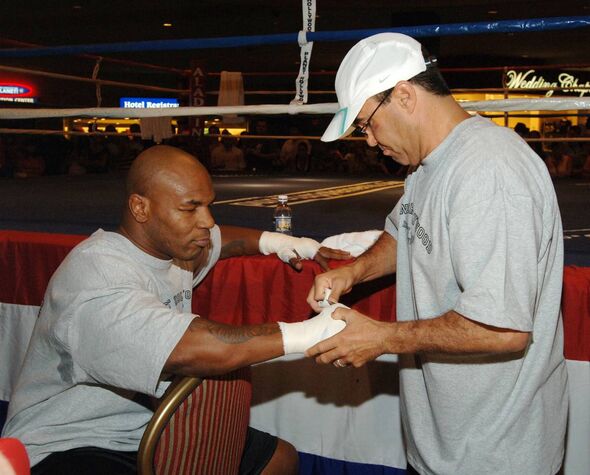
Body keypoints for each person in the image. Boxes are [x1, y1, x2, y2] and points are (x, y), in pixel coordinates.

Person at [306, 33, 568, 475]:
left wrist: (382, 337)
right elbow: (404, 230)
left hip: (495, 456)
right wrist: (354, 273)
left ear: (404, 95)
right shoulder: (431, 164)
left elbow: (503, 329)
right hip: (447, 444)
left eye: (367, 123)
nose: (369, 141)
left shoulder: (489, 170)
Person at [2, 145, 350, 475]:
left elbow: (219, 240)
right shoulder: (97, 278)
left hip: (145, 426)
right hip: (70, 441)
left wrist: (284, 243)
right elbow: (197, 348)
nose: (207, 220)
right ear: (141, 208)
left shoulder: (171, 249)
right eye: (190, 208)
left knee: (279, 459)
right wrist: (316, 331)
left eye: (208, 205)